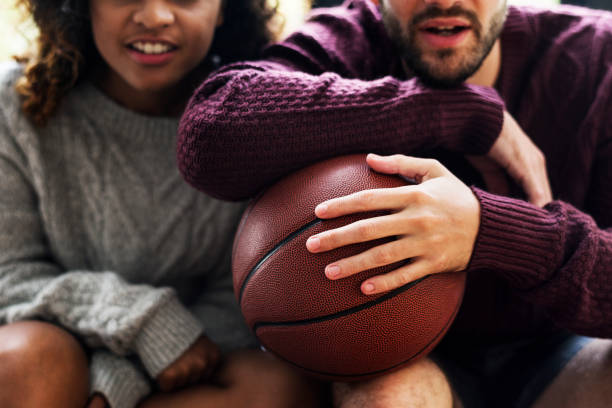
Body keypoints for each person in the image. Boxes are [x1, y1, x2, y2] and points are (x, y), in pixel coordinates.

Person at [177, 0, 612, 407]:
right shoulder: (348, 40)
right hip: (405, 360)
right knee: (387, 396)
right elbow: (207, 132)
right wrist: (455, 113)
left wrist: (489, 232)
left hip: (564, 348)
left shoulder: (597, 55)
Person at [0, 1, 326, 407]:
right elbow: (10, 276)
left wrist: (128, 371)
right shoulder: (16, 107)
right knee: (29, 356)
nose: (154, 16)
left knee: (278, 388)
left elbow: (242, 297)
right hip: (53, 351)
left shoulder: (251, 122)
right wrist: (141, 321)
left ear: (224, 8)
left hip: (186, 363)